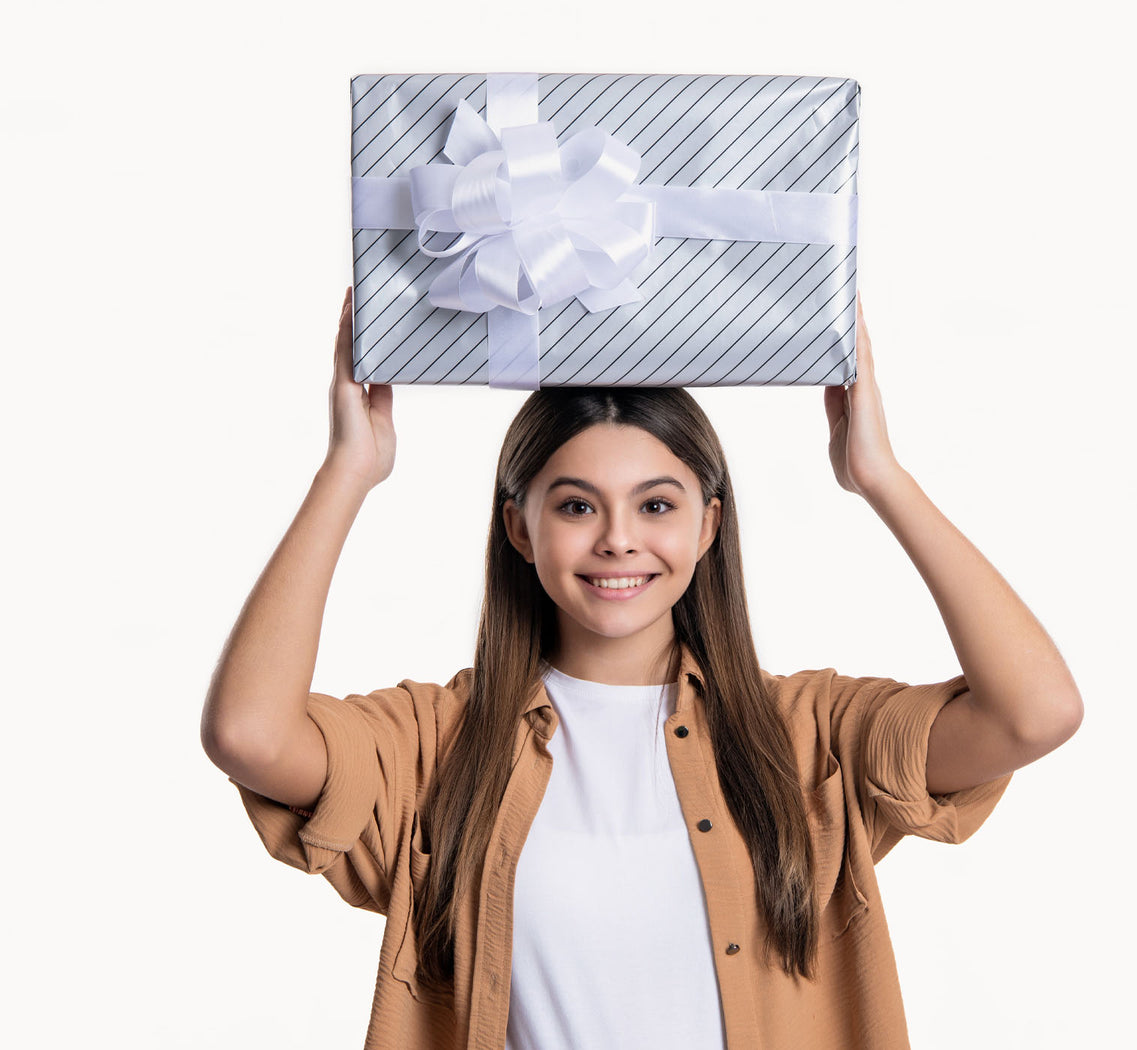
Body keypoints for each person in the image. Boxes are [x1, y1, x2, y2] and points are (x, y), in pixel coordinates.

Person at [201, 285, 1084, 1050]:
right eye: (577, 505)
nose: (618, 537)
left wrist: (880, 475)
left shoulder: (809, 739)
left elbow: (1033, 713)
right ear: (520, 528)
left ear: (707, 525)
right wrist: (349, 469)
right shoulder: (435, 747)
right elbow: (248, 733)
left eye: (656, 504)